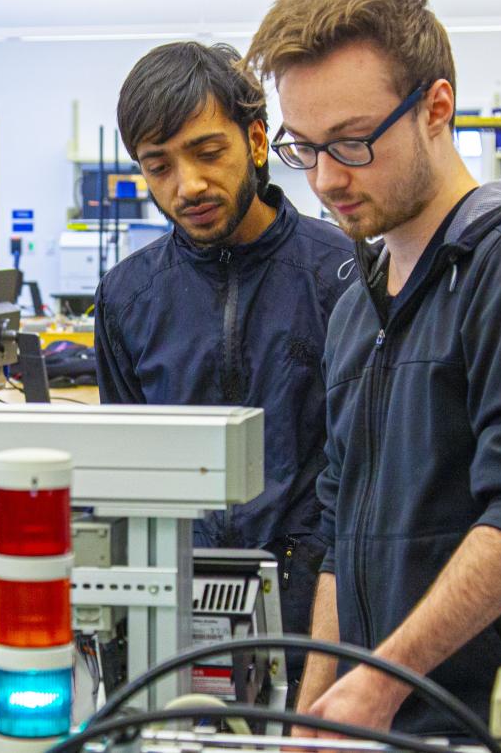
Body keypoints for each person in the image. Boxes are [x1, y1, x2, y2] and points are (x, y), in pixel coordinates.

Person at [242, 0, 501, 738]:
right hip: (386, 716)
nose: (326, 179)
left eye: (354, 142)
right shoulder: (359, 304)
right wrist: (316, 703)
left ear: (435, 108)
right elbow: (338, 519)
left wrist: (378, 684)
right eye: (305, 148)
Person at [94, 41, 358, 694]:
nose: (187, 186)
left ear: (258, 139)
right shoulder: (128, 298)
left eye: (207, 152)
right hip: (175, 616)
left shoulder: (343, 277)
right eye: (159, 166)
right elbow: (127, 478)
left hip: (319, 618)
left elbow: (362, 480)